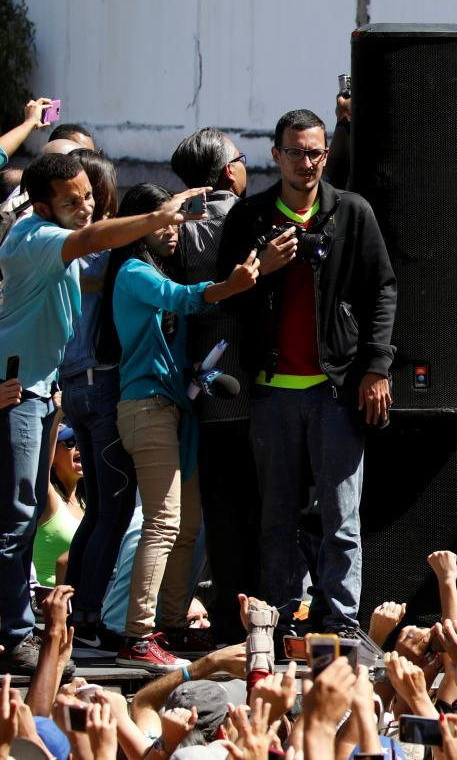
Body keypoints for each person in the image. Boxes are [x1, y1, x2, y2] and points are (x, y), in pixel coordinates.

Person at [0, 153, 209, 674]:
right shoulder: (37, 236)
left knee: (47, 516)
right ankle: (16, 634)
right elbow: (95, 242)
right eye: (72, 201)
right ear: (43, 206)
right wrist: (161, 216)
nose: (86, 206)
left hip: (43, 392)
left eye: (89, 196)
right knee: (18, 517)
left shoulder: (55, 247)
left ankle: (52, 623)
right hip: (20, 391)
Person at [217, 108, 396, 635]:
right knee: (277, 519)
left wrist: (376, 366)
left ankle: (340, 619)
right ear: (276, 155)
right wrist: (260, 268)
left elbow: (382, 289)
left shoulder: (351, 212)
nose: (307, 162)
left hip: (335, 390)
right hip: (272, 393)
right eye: (295, 152)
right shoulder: (249, 219)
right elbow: (223, 296)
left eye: (316, 151)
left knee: (343, 517)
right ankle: (277, 618)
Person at [105, 183, 259, 670]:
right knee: (164, 521)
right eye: (163, 220)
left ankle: (170, 627)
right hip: (146, 407)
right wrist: (232, 285)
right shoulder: (132, 272)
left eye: (175, 220)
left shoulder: (152, 270)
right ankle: (136, 636)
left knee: (187, 523)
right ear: (138, 226)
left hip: (177, 410)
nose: (173, 230)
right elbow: (181, 297)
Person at [169, 127, 256, 642]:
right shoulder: (245, 219)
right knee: (260, 503)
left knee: (219, 505)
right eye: (242, 160)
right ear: (228, 170)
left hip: (200, 384)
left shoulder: (180, 226)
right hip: (250, 379)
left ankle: (225, 613)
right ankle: (259, 611)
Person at [57, 149, 139, 653]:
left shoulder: (68, 245)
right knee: (114, 508)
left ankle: (75, 611)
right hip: (103, 382)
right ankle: (87, 615)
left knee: (96, 510)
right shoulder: (100, 251)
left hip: (73, 384)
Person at [32, 424, 84, 587]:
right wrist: (56, 416)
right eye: (71, 441)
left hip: (80, 599)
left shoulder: (87, 503)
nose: (79, 446)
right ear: (53, 457)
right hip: (47, 604)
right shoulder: (49, 500)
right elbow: (42, 467)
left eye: (81, 440)